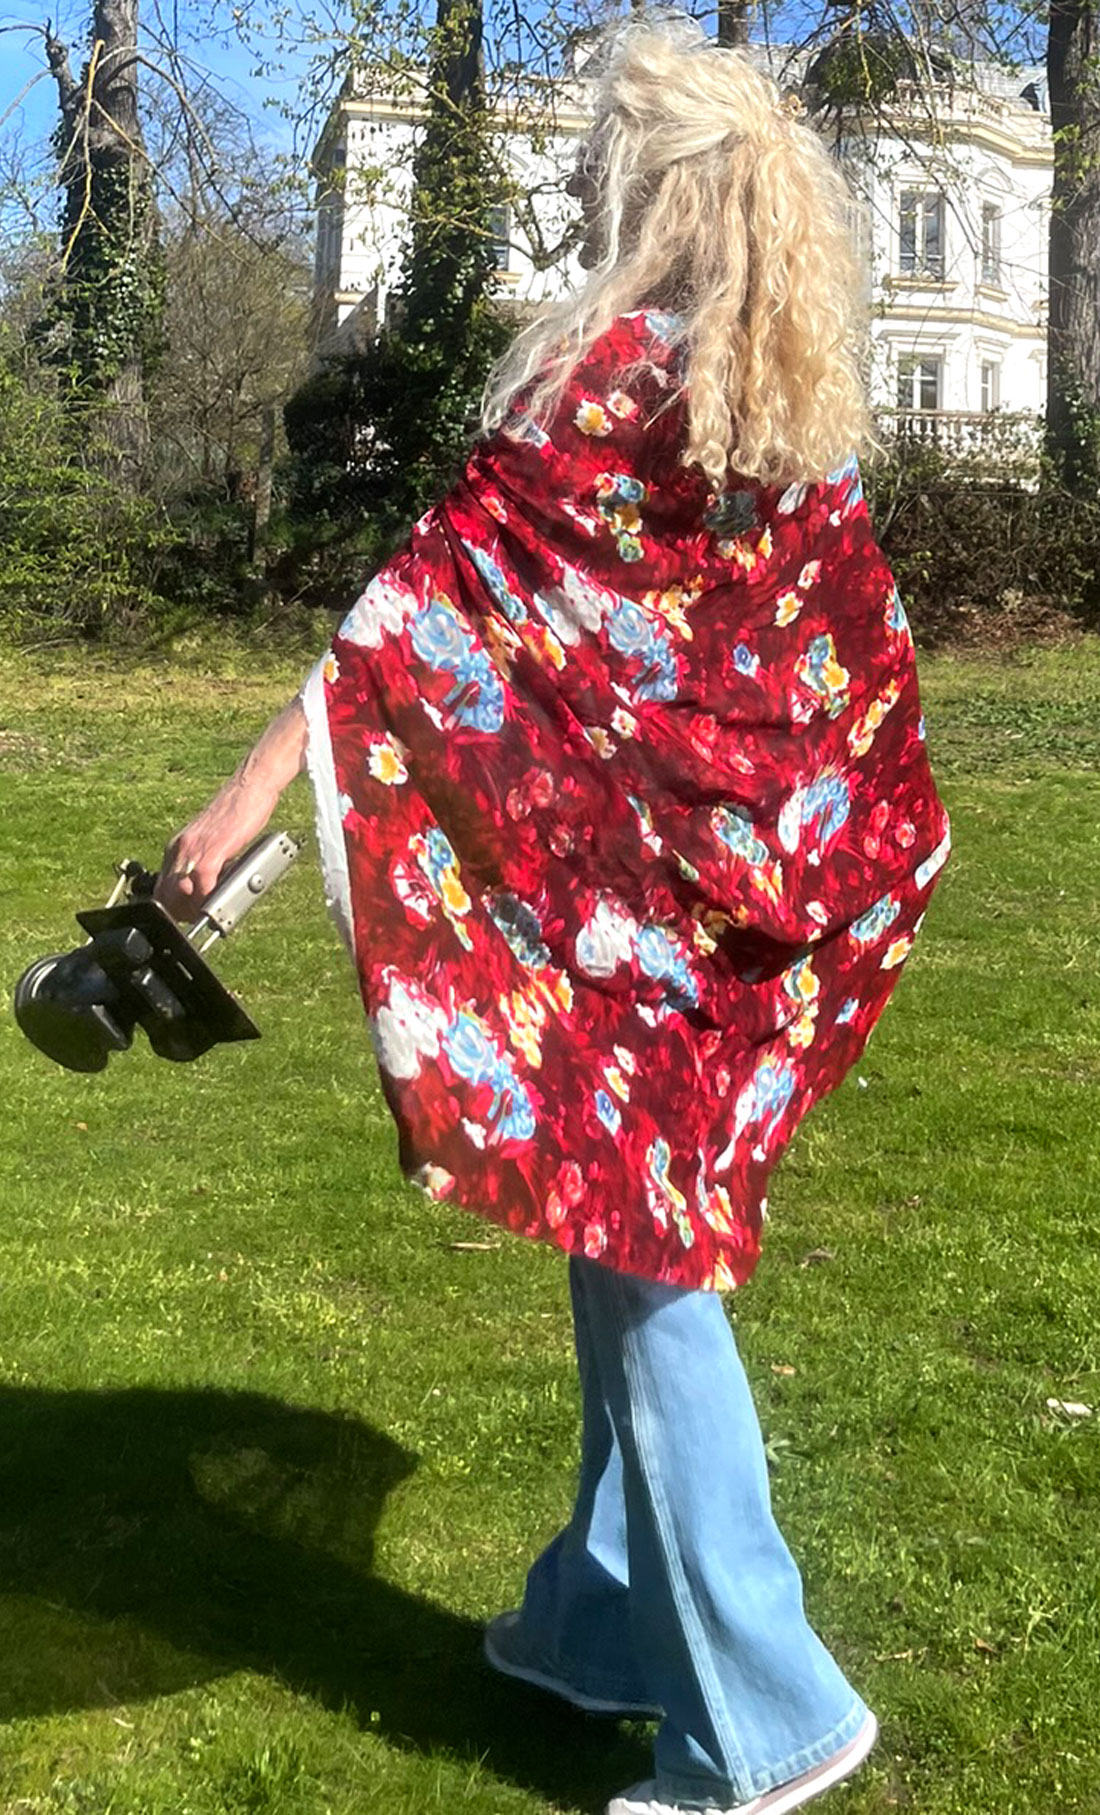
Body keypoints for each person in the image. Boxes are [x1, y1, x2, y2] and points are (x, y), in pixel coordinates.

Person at [155, 18, 950, 1815]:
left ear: (647, 186)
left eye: (600, 156)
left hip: (635, 927)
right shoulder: (782, 402)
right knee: (627, 1240)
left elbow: (422, 614)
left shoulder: (603, 382)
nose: (582, 179)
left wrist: (247, 795)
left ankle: (766, 1713)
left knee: (646, 1268)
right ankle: (596, 1626)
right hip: (732, 917)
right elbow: (832, 673)